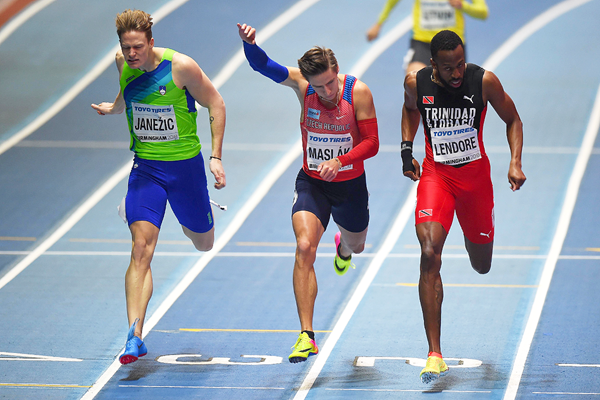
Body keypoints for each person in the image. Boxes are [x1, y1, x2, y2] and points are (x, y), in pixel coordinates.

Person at [237, 23, 379, 363]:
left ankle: (343, 247)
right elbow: (262, 66)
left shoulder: (357, 92)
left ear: (336, 71)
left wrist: (341, 160)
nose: (327, 91)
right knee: (303, 247)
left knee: (356, 244)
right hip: (312, 183)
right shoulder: (303, 86)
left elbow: (373, 144)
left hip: (349, 187)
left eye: (331, 81)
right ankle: (306, 335)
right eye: (320, 86)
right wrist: (250, 44)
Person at [91, 9, 226, 365]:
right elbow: (126, 94)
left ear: (151, 42)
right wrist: (115, 107)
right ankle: (134, 335)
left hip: (185, 171)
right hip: (146, 169)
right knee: (141, 249)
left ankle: (195, 212)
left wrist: (216, 156)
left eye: (138, 47)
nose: (132, 54)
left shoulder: (181, 67)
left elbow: (215, 102)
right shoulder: (122, 61)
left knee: (203, 243)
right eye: (126, 47)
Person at [401, 30, 525, 383]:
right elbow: (409, 111)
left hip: (475, 183)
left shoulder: (483, 81)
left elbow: (513, 119)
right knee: (428, 252)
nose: (457, 73)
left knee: (481, 265)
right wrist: (406, 149)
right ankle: (435, 354)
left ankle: (483, 232)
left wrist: (514, 162)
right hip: (437, 177)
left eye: (460, 64)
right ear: (432, 65)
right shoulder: (416, 82)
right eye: (448, 67)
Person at [366, 0, 488, 75]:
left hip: (451, 45)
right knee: (414, 79)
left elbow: (483, 13)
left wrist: (462, 5)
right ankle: (421, 116)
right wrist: (379, 23)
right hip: (422, 42)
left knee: (451, 94)